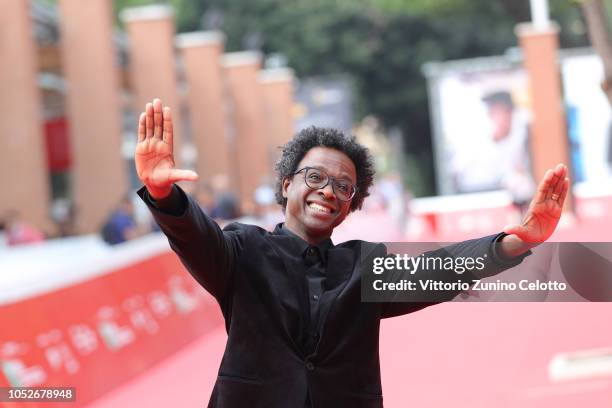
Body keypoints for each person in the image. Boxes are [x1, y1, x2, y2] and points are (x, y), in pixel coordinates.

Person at [135, 98, 569, 407]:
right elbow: (194, 236)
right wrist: (163, 193)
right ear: (288, 184)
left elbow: (440, 270)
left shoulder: (363, 266)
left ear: (352, 206)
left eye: (344, 187)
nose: (328, 192)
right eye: (315, 177)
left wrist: (520, 240)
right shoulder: (244, 251)